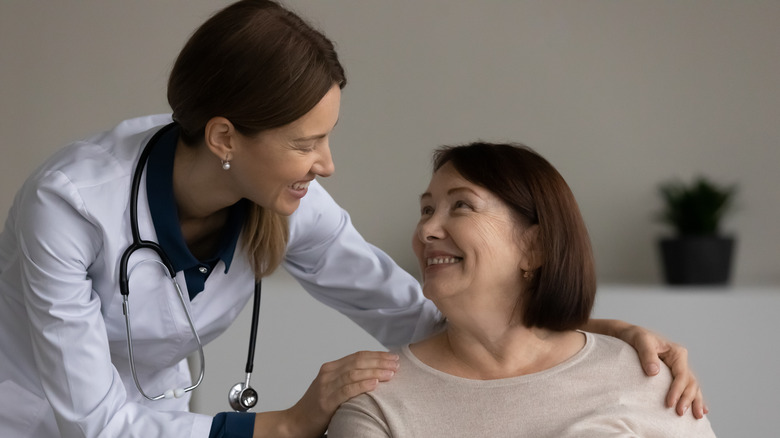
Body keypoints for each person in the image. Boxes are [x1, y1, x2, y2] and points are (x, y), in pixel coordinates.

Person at [0, 1, 702, 437]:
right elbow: (93, 424)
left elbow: (414, 313)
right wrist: (280, 426)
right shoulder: (69, 209)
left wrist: (588, 340)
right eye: (305, 144)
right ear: (224, 140)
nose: (326, 165)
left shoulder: (282, 200)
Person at [328, 142, 716, 437]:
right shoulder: (376, 401)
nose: (426, 230)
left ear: (536, 247)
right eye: (427, 210)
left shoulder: (642, 377)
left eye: (461, 205)